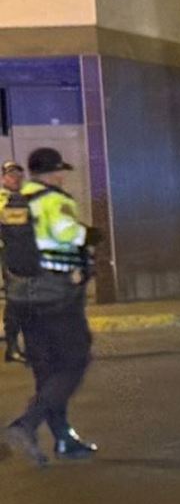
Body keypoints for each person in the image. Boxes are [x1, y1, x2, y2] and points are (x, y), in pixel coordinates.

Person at [1, 148, 98, 465]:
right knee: (74, 360)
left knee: (46, 369)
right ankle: (26, 424)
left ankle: (63, 439)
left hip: (21, 298)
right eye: (60, 171)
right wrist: (90, 234)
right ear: (54, 172)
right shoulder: (55, 201)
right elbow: (65, 232)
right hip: (55, 296)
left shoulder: (15, 201)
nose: (62, 176)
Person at [2, 161, 26, 364]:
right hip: (10, 256)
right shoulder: (3, 199)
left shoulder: (22, 198)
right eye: (11, 175)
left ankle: (16, 347)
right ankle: (11, 347)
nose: (16, 178)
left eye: (18, 174)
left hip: (24, 256)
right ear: (3, 178)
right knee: (16, 302)